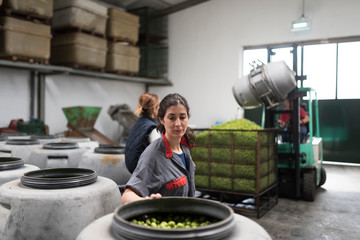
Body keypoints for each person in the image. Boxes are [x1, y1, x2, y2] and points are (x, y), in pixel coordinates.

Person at [121, 93, 196, 204]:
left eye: (182, 117)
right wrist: (147, 202)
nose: (178, 123)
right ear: (161, 119)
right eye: (172, 118)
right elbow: (126, 197)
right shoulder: (153, 154)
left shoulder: (184, 149)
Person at [125, 93, 161, 174]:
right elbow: (160, 154)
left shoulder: (139, 123)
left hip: (133, 169)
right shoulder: (152, 129)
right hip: (144, 171)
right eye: (159, 107)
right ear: (154, 109)